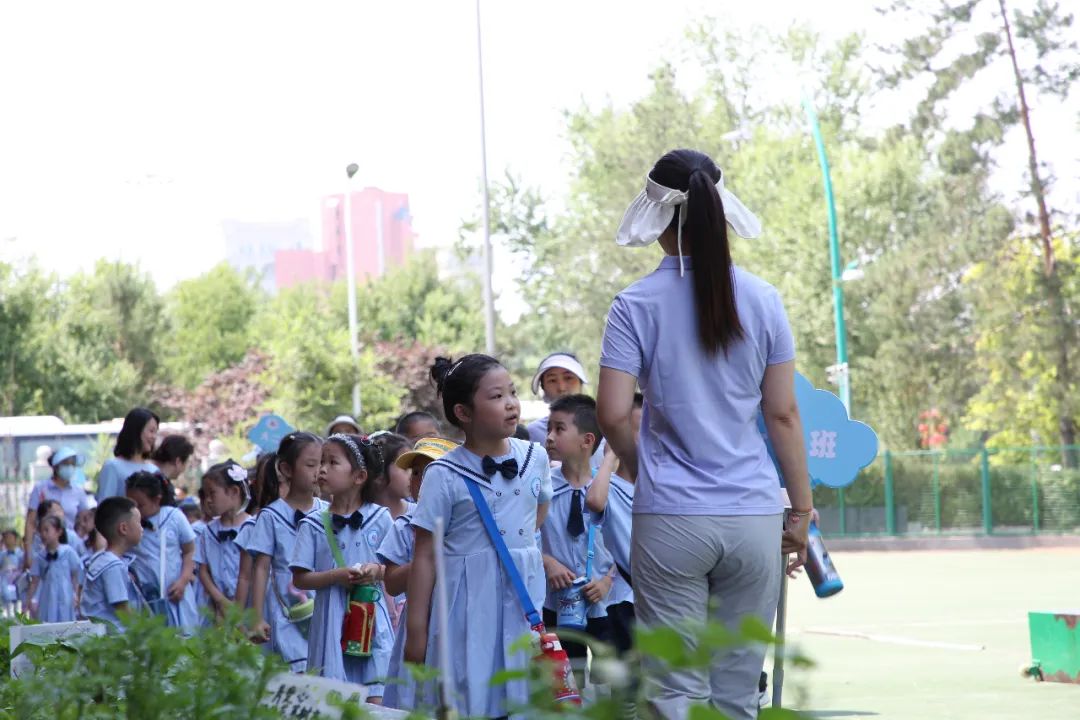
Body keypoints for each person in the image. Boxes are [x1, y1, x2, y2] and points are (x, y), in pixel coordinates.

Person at [595, 149, 813, 720]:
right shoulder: (764, 299)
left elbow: (614, 414)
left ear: (661, 221)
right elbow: (783, 415)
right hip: (752, 515)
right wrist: (802, 508)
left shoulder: (633, 304)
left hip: (670, 517)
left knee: (674, 692)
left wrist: (642, 469)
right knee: (739, 691)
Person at [405, 355, 553, 718]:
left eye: (513, 392)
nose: (511, 403)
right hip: (466, 606)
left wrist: (515, 554)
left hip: (522, 603)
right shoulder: (443, 473)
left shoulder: (535, 457)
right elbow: (424, 555)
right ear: (464, 412)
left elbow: (538, 512)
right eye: (496, 396)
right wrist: (416, 631)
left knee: (522, 695)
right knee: (471, 694)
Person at [291, 433, 393, 698]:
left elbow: (394, 570)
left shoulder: (381, 518)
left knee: (377, 693)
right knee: (335, 699)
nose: (322, 469)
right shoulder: (312, 524)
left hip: (372, 618)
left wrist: (376, 571)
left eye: (332, 462)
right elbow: (300, 579)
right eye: (320, 462)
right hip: (331, 621)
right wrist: (336, 576)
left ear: (359, 476)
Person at [541, 394, 629, 692]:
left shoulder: (611, 488)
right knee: (565, 684)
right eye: (548, 428)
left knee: (610, 685)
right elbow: (526, 535)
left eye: (559, 429)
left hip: (605, 601)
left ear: (587, 439)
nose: (549, 437)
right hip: (558, 601)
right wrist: (548, 562)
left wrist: (607, 580)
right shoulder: (542, 488)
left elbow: (628, 543)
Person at [377, 436, 455, 710]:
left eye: (431, 472)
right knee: (415, 695)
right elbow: (392, 582)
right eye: (416, 473)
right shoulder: (404, 526)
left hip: (455, 620)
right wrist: (426, 560)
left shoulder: (465, 525)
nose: (421, 480)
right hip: (417, 623)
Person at [246, 432, 327, 672]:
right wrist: (257, 617)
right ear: (286, 469)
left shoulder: (328, 512)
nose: (318, 471)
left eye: (323, 463)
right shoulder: (271, 516)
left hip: (321, 601)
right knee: (294, 671)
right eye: (311, 464)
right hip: (285, 607)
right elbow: (260, 568)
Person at [125, 471, 198, 630]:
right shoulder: (128, 523)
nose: (135, 510)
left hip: (175, 593)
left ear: (157, 499)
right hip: (144, 597)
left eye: (140, 505)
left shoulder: (174, 517)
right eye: (131, 505)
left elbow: (190, 551)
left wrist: (183, 580)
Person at [197, 460, 256, 621]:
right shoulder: (208, 531)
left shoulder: (253, 527)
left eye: (212, 493)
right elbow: (203, 570)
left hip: (250, 607)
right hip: (219, 608)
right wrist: (220, 601)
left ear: (234, 492)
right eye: (205, 495)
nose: (208, 500)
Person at [81, 496, 144, 632]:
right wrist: (144, 632)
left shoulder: (103, 560)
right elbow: (122, 609)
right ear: (124, 528)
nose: (142, 528)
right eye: (139, 523)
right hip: (113, 639)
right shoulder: (112, 566)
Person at [24, 447, 92, 568]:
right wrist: (28, 553)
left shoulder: (78, 492)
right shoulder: (40, 489)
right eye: (66, 464)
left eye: (72, 464)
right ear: (55, 466)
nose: (70, 468)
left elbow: (85, 519)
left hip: (70, 545)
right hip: (43, 544)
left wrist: (79, 538)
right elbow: (30, 522)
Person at [26, 516, 82, 622]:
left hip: (66, 594)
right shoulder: (40, 557)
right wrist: (29, 601)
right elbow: (34, 581)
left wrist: (76, 594)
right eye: (41, 531)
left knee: (66, 622)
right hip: (47, 596)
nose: (43, 534)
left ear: (59, 532)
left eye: (47, 530)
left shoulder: (68, 552)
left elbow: (75, 574)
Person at [97, 408, 160, 501]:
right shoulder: (113, 467)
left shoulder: (154, 470)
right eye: (151, 431)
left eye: (155, 432)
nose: (154, 437)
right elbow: (104, 505)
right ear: (136, 430)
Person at [526, 352, 590, 444]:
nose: (561, 388)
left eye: (568, 378)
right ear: (543, 388)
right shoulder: (531, 434)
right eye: (552, 380)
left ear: (581, 383)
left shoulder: (606, 429)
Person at [370, 433, 415, 520]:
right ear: (379, 474)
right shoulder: (360, 518)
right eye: (405, 467)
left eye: (413, 467)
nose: (412, 474)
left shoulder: (419, 515)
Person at [1, 530, 24, 617]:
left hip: (16, 582)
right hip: (4, 583)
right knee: (5, 608)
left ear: (15, 539)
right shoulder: (2, 555)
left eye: (10, 537)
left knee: (17, 606)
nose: (7, 540)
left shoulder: (20, 554)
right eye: (5, 538)